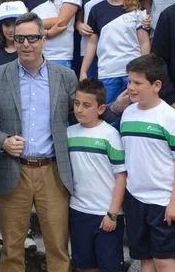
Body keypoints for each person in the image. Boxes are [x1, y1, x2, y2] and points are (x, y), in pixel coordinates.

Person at [0, 11, 77, 272]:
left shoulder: (65, 76)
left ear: (43, 38)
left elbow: (78, 117)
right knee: (11, 250)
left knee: (58, 248)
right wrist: (2, 141)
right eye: (20, 38)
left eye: (32, 38)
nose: (25, 44)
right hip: (14, 169)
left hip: (53, 170)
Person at [119, 54, 175, 272]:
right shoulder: (128, 113)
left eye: (137, 83)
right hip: (135, 199)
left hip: (163, 200)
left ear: (156, 85)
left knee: (164, 261)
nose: (131, 87)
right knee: (146, 260)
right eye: (129, 81)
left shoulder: (170, 117)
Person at [66, 79, 127, 272]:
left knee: (109, 267)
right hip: (78, 211)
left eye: (86, 105)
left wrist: (113, 213)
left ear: (101, 109)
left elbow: (121, 176)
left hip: (105, 213)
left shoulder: (110, 135)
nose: (79, 109)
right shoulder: (69, 134)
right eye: (76, 103)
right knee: (84, 266)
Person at [79, 0, 150, 97]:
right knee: (110, 107)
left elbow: (144, 42)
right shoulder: (96, 9)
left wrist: (144, 69)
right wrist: (83, 71)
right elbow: (92, 43)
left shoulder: (136, 9)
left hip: (132, 73)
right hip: (107, 72)